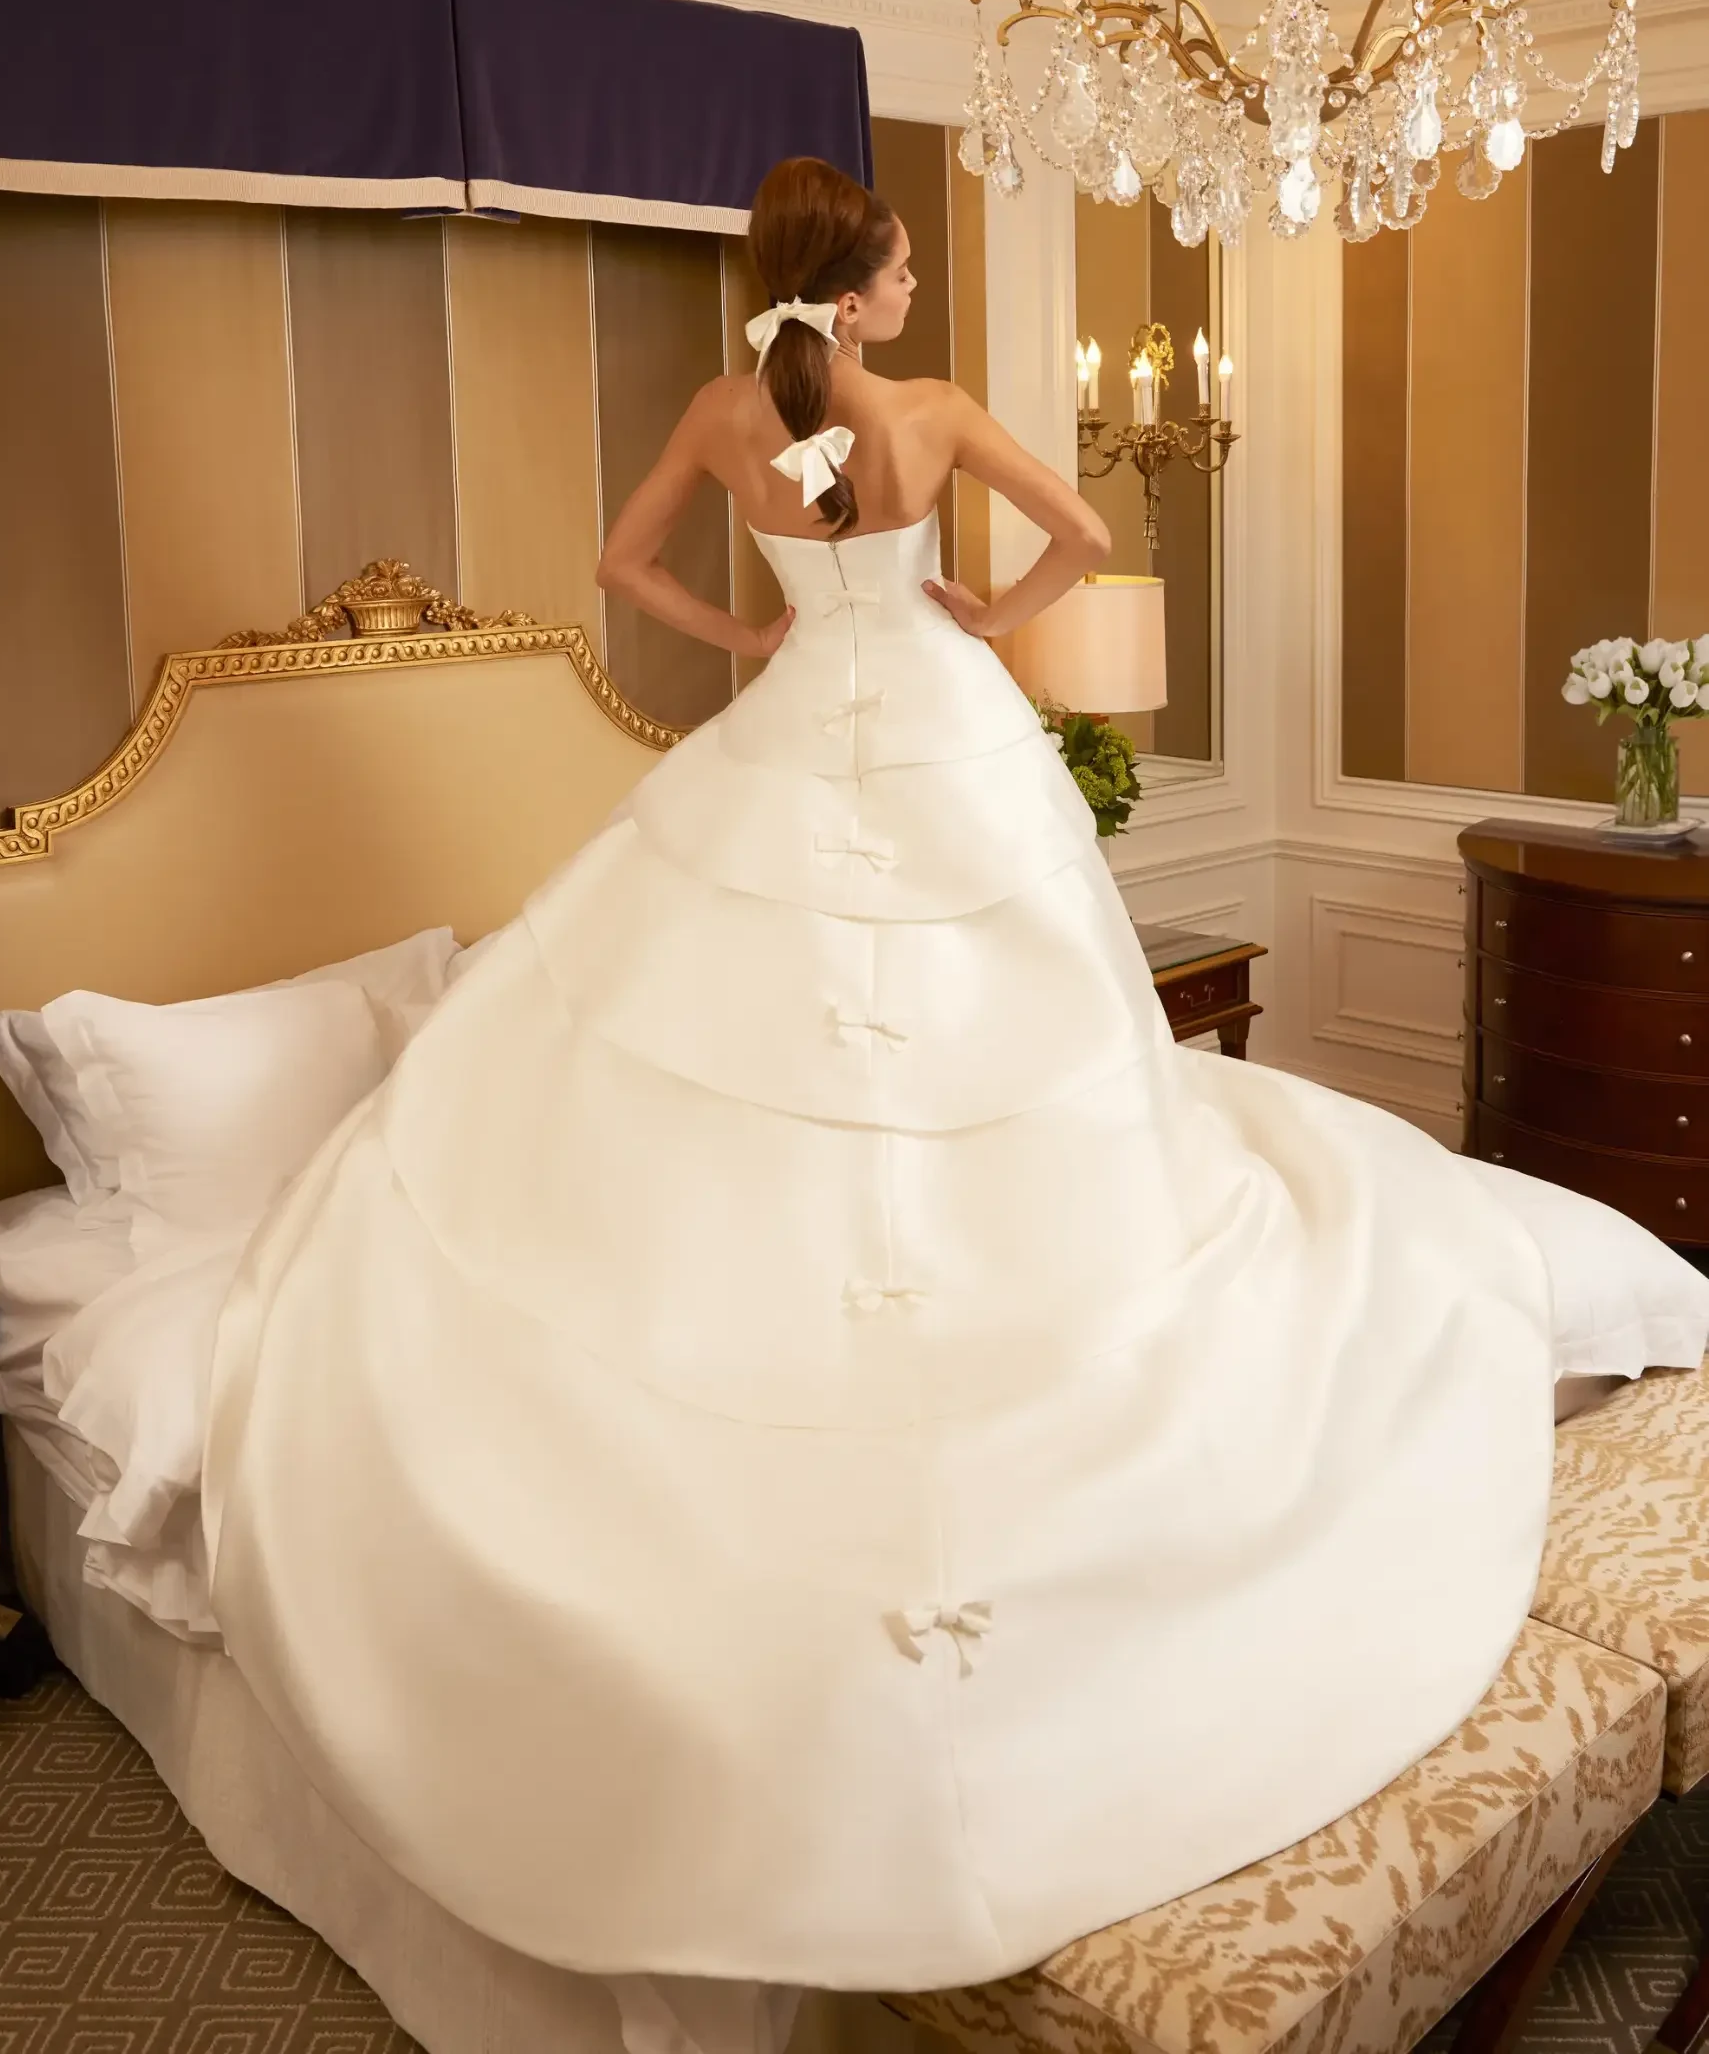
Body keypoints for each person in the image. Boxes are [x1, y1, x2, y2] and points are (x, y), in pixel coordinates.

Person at [203, 156, 1554, 2020]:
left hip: (794, 727)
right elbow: (1083, 538)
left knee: (766, 1040)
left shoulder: (721, 409)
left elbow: (619, 569)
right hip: (941, 729)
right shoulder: (925, 416)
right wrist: (984, 616)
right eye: (909, 266)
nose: (920, 290)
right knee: (1004, 1037)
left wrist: (766, 639)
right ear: (861, 286)